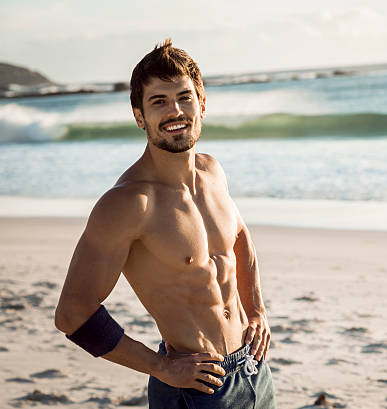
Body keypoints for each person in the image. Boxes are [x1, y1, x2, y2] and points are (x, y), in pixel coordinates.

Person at [54, 39, 276, 409]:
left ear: (202, 104)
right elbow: (72, 314)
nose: (175, 111)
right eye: (159, 101)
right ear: (140, 117)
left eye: (184, 97)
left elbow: (238, 234)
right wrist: (160, 367)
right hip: (196, 389)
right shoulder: (128, 204)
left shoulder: (212, 172)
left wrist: (256, 310)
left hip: (254, 369)